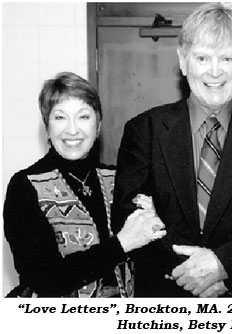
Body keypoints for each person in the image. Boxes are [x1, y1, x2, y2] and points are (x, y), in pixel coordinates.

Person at [111, 3, 232, 297]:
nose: (215, 71)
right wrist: (193, 274)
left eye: (226, 58)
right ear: (183, 61)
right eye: (202, 57)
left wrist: (223, 265)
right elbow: (127, 218)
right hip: (165, 302)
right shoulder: (144, 130)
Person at [3, 72, 166, 297]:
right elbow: (43, 279)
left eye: (83, 117)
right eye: (60, 118)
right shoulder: (26, 186)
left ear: (98, 126)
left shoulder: (119, 178)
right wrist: (121, 244)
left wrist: (154, 224)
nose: (72, 130)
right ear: (47, 126)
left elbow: (149, 263)